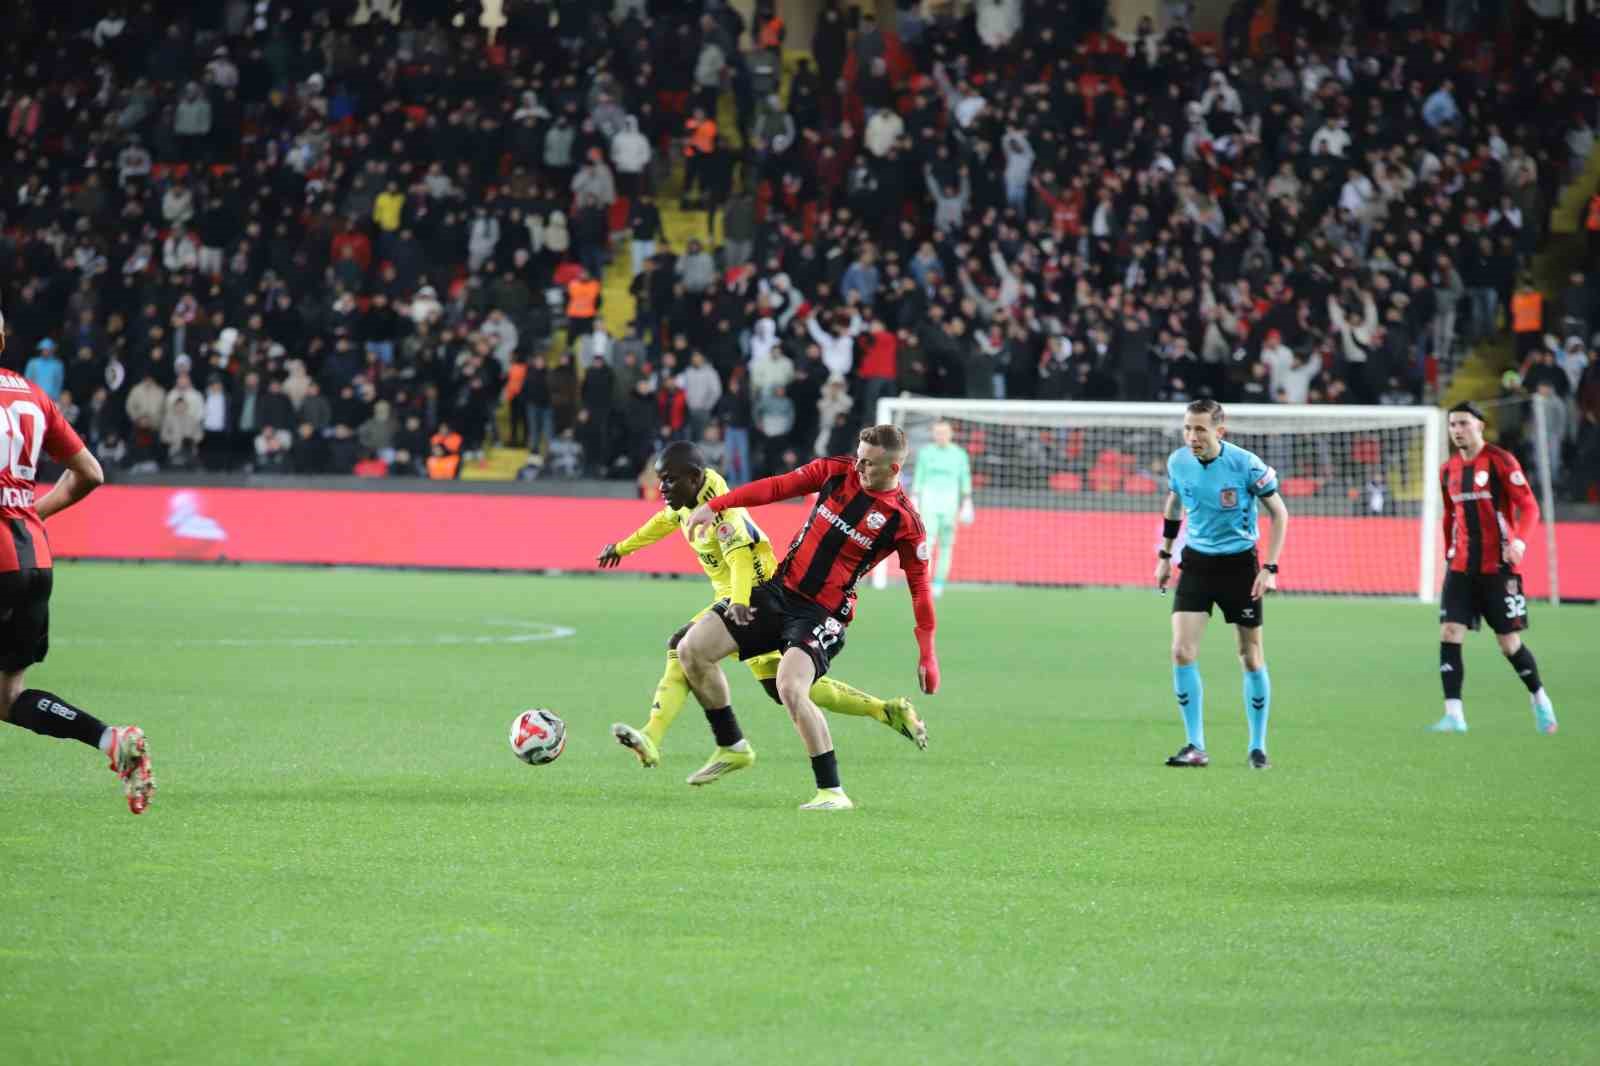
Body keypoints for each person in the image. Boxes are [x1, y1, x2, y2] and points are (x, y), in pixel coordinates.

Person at [597, 442, 924, 771]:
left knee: (683, 646)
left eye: (668, 480)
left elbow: (740, 559)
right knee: (782, 688)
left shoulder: (723, 516)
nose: (661, 488)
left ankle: (661, 736)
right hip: (737, 595)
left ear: (693, 478)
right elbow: (667, 520)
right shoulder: (690, 496)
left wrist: (739, 603)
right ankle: (884, 710)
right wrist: (623, 548)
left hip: (756, 594)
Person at [676, 425, 941, 811]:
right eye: (859, 456)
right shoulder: (837, 471)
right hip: (779, 592)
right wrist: (717, 504)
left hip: (823, 614)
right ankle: (732, 745)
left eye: (869, 463)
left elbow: (920, 589)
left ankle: (832, 792)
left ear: (895, 469)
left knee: (789, 686)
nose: (860, 467)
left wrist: (927, 653)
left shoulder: (904, 522)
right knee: (692, 650)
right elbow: (777, 487)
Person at [0, 312, 155, 813]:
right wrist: (29, 512)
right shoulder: (32, 395)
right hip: (33, 558)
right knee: (6, 697)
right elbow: (90, 473)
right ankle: (113, 740)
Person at [1155, 399, 1290, 770]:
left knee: (1250, 656)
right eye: (1187, 428)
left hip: (1239, 566)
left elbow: (1279, 512)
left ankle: (1257, 746)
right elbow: (1174, 504)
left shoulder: (1245, 464)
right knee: (1181, 651)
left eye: (1199, 429)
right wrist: (1165, 556)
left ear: (1219, 431)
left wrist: (1270, 567)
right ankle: (1195, 745)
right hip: (1197, 562)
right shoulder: (1178, 462)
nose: (1192, 436)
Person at [1429, 402, 1558, 735]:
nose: (1457, 430)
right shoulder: (1448, 471)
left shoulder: (1500, 461)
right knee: (1449, 631)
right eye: (1453, 424)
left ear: (1480, 426)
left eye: (1464, 424)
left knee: (1508, 643)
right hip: (1460, 567)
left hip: (1498, 568)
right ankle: (1454, 714)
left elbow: (1529, 507)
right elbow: (1449, 516)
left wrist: (1520, 543)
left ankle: (1539, 698)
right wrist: (1447, 552)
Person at [911, 420, 974, 598]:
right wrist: (915, 497)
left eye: (944, 432)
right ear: (933, 434)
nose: (941, 436)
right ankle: (925, 582)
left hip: (950, 505)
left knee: (946, 545)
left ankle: (939, 583)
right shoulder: (926, 453)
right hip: (929, 503)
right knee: (926, 543)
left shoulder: (959, 454)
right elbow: (919, 475)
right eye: (937, 432)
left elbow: (964, 477)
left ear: (951, 434)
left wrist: (967, 501)